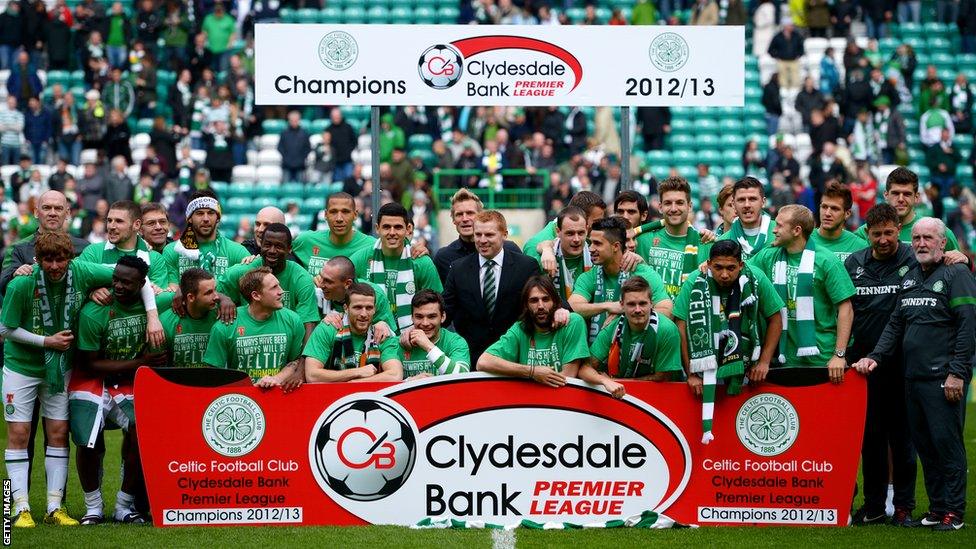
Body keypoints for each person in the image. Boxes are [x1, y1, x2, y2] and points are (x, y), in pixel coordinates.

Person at [854, 217, 976, 531]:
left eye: (928, 238)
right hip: (912, 378)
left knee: (946, 446)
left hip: (943, 378)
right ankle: (936, 509)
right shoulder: (910, 278)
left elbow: (967, 327)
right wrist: (875, 356)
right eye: (918, 238)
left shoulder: (957, 273)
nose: (921, 243)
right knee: (924, 447)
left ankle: (954, 512)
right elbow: (895, 324)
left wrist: (958, 373)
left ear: (943, 242)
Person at [71, 256, 168, 525]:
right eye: (115, 280)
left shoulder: (153, 307)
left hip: (125, 380)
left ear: (142, 285)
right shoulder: (95, 311)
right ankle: (93, 507)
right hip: (91, 379)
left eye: (127, 282)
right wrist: (141, 362)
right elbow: (88, 364)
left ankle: (124, 506)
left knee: (144, 429)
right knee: (87, 435)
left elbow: (184, 297)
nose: (119, 286)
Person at [845, 204, 919, 526]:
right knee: (870, 440)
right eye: (877, 234)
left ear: (899, 230)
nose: (884, 239)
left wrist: (957, 257)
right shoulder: (854, 263)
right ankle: (874, 505)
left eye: (890, 232)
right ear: (867, 233)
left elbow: (944, 263)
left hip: (902, 365)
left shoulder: (913, 258)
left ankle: (903, 506)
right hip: (864, 368)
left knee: (902, 439)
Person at [673, 240, 784, 442]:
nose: (725, 274)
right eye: (718, 268)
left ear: (741, 265)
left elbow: (776, 317)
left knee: (741, 431)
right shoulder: (695, 281)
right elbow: (680, 323)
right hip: (704, 369)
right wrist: (690, 373)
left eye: (731, 268)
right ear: (708, 264)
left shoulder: (756, 278)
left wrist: (764, 362)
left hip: (746, 370)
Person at [749, 205, 855, 376]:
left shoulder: (827, 260)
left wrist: (839, 355)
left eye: (779, 226)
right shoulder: (769, 255)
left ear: (797, 230)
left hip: (823, 360)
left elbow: (846, 308)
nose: (774, 230)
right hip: (784, 360)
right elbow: (739, 270)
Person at [444, 210, 542, 363]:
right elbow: (445, 311)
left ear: (505, 234)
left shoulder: (526, 266)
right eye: (478, 235)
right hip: (472, 361)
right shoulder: (458, 269)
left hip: (516, 358)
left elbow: (542, 301)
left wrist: (563, 311)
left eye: (489, 235)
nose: (482, 240)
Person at [569, 217, 672, 344]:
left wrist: (624, 316)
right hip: (599, 351)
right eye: (591, 243)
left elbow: (667, 310)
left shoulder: (643, 273)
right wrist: (609, 306)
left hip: (635, 350)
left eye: (597, 243)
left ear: (616, 246)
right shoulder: (590, 276)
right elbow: (573, 307)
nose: (590, 248)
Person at [580, 277, 683, 399]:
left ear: (651, 303)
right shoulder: (613, 328)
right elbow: (584, 368)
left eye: (643, 303)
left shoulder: (667, 330)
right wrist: (605, 381)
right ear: (622, 305)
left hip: (661, 398)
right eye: (631, 304)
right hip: (621, 395)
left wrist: (617, 381)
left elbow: (662, 377)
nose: (638, 310)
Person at [203, 267, 305, 389]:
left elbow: (295, 362)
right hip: (240, 398)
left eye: (279, 285)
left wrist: (275, 379)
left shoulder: (293, 320)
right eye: (274, 287)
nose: (281, 291)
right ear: (256, 296)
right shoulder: (225, 326)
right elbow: (213, 374)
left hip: (280, 394)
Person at [477, 276, 590, 386]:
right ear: (526, 305)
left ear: (555, 302)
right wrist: (532, 372)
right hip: (527, 401)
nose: (540, 306)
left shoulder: (572, 322)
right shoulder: (520, 328)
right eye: (534, 301)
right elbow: (483, 362)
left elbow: (568, 377)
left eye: (545, 299)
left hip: (562, 400)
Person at [350, 203, 442, 335]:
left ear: (408, 228)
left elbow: (436, 307)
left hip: (413, 338)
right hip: (370, 337)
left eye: (398, 227)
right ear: (377, 228)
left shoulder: (421, 262)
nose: (392, 233)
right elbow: (341, 285)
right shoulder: (362, 258)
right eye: (386, 227)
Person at [218, 223, 319, 339]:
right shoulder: (242, 271)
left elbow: (309, 324)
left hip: (286, 344)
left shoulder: (301, 277)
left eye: (279, 247)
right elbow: (209, 291)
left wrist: (304, 357)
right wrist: (223, 298)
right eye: (267, 245)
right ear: (260, 244)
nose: (272, 251)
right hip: (248, 339)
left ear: (289, 249)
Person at [630, 177, 713, 299]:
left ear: (690, 206)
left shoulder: (705, 243)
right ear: (660, 207)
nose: (674, 209)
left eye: (679, 203)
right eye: (668, 203)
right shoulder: (641, 240)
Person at [303, 283, 403, 382]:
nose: (364, 314)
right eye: (357, 307)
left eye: (369, 308)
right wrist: (357, 372)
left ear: (374, 310)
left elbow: (395, 375)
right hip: (332, 396)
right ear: (346, 308)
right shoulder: (329, 328)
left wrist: (354, 384)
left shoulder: (381, 334)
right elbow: (312, 375)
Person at [855, 168, 965, 254]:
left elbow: (958, 272)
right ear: (886, 195)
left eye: (907, 194)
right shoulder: (865, 233)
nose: (901, 199)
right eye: (895, 193)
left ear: (916, 197)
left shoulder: (939, 231)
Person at [0, 191, 89, 295]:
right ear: (36, 212)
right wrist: (14, 276)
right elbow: (3, 285)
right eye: (46, 208)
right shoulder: (18, 248)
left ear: (67, 213)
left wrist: (95, 291)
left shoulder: (84, 247)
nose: (52, 213)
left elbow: (94, 279)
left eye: (58, 208)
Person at [162, 190, 250, 286]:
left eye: (211, 213)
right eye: (199, 213)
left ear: (218, 217)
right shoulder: (172, 251)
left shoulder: (237, 251)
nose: (206, 219)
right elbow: (171, 294)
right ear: (189, 218)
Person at [432, 189, 521, 284]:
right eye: (459, 214)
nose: (465, 219)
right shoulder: (443, 257)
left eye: (470, 213)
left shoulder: (510, 249)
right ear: (454, 220)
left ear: (481, 216)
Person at [77, 200, 168, 289]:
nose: (111, 226)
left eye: (119, 221)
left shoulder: (155, 259)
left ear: (136, 225)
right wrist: (91, 292)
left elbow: (157, 298)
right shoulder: (93, 251)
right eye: (109, 220)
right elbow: (76, 283)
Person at [292, 192, 376, 278]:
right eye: (333, 212)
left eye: (345, 212)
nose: (339, 218)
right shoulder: (306, 240)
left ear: (355, 215)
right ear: (325, 215)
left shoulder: (372, 246)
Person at [396, 290, 470, 379]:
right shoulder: (397, 343)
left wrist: (428, 346)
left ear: (443, 317)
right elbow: (385, 383)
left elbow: (462, 376)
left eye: (432, 317)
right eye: (419, 317)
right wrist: (410, 382)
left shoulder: (455, 341)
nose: (425, 323)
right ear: (412, 318)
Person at [315, 256, 396, 337]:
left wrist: (383, 325)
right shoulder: (317, 292)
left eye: (328, 281)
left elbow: (391, 337)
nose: (321, 285)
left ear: (347, 283)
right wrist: (324, 323)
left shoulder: (374, 296)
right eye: (321, 277)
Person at [160, 268, 219, 368]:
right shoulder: (165, 322)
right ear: (191, 297)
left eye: (215, 290)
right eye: (209, 293)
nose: (217, 296)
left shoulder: (222, 315)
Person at [718, 177, 778, 260]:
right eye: (741, 200)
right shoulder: (723, 242)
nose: (747, 205)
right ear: (734, 204)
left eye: (752, 199)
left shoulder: (780, 232)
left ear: (763, 202)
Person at [541, 206, 590, 300]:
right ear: (558, 232)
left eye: (581, 233)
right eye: (570, 233)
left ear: (587, 230)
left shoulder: (597, 256)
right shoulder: (545, 259)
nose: (576, 239)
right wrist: (546, 249)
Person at [810, 182, 868, 262]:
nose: (827, 213)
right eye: (824, 207)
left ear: (847, 214)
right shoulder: (804, 240)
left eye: (834, 209)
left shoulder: (860, 246)